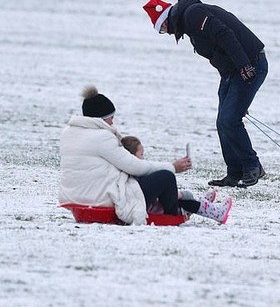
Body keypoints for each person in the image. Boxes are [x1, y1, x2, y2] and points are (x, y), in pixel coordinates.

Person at [59, 85, 233, 225]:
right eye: (110, 117)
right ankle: (175, 212)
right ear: (100, 118)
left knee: (145, 183)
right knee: (165, 178)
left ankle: (193, 202)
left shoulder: (69, 133)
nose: (112, 121)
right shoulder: (101, 137)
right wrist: (173, 167)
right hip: (102, 199)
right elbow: (135, 166)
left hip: (78, 196)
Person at [143, 0, 268, 188]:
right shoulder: (188, 25)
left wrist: (244, 67)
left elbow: (225, 34)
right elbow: (217, 54)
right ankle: (234, 173)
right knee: (223, 121)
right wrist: (239, 99)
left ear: (166, 20)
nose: (166, 33)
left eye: (162, 29)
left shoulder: (194, 14)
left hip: (251, 64)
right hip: (231, 73)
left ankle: (253, 166)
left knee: (229, 120)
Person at [121, 135, 217, 214]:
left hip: (156, 204)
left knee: (185, 195)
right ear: (132, 157)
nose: (143, 158)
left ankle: (202, 203)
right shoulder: (133, 175)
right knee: (183, 194)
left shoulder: (136, 171)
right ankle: (205, 207)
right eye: (141, 154)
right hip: (157, 209)